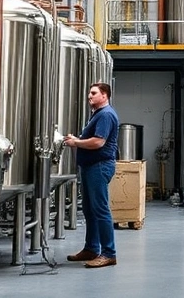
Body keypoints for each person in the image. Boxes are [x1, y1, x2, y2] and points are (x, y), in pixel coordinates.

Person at [63, 82, 120, 268]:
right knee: (90, 210)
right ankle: (91, 248)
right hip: (90, 167)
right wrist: (77, 140)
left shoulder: (105, 115)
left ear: (105, 95)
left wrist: (76, 143)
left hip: (99, 166)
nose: (90, 96)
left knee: (101, 210)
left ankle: (109, 253)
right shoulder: (97, 115)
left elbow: (98, 143)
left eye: (94, 93)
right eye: (89, 93)